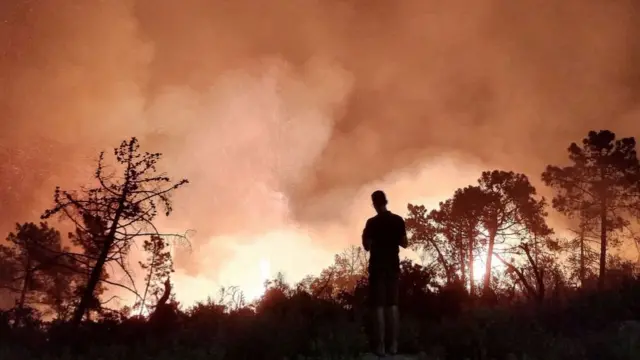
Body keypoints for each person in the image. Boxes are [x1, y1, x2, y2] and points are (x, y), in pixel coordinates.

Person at [361, 190, 408, 357]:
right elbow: (404, 243)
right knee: (392, 306)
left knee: (379, 307)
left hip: (377, 267)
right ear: (386, 202)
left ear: (374, 203)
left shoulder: (371, 223)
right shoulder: (397, 220)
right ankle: (393, 345)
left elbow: (366, 246)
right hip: (392, 267)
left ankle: (380, 347)